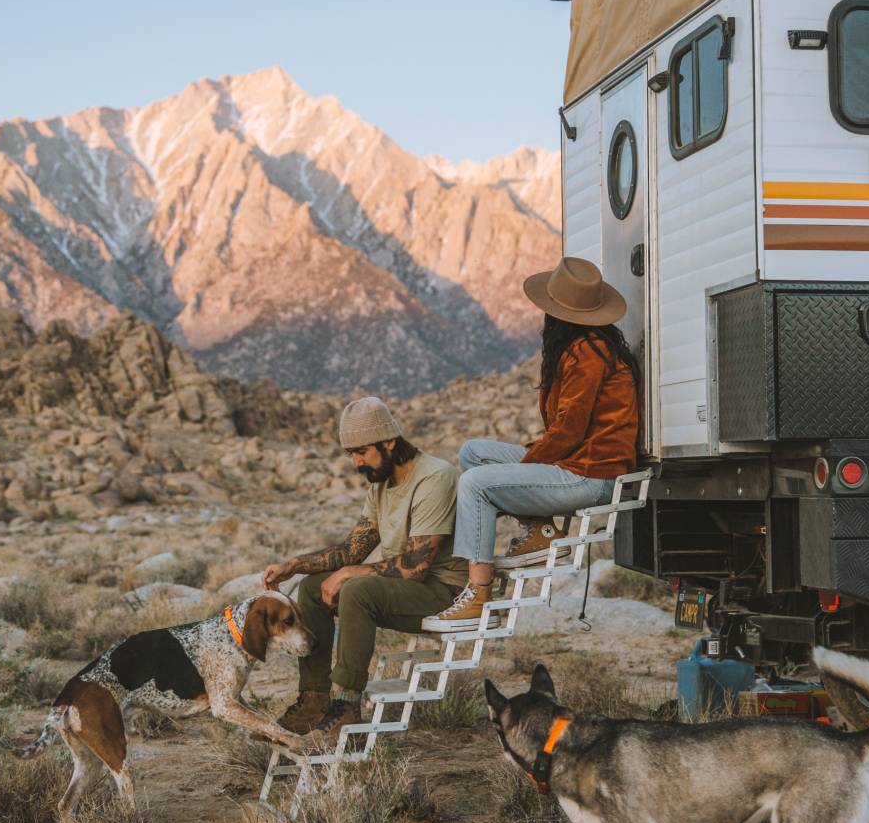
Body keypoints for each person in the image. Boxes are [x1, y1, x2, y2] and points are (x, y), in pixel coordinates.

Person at [422, 256, 640, 633]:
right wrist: (531, 459)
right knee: (474, 452)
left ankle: (477, 594)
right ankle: (541, 531)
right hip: (579, 462)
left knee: (475, 484)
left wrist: (526, 464)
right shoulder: (588, 347)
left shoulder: (586, 353)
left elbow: (568, 431)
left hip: (592, 474)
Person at [262, 397, 469, 741]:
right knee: (312, 587)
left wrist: (351, 574)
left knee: (357, 589)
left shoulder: (435, 477)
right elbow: (350, 551)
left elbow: (416, 567)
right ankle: (314, 700)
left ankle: (346, 708)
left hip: (443, 593)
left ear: (389, 442)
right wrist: (294, 565)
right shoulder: (381, 484)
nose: (356, 463)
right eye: (351, 455)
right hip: (400, 589)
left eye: (361, 452)